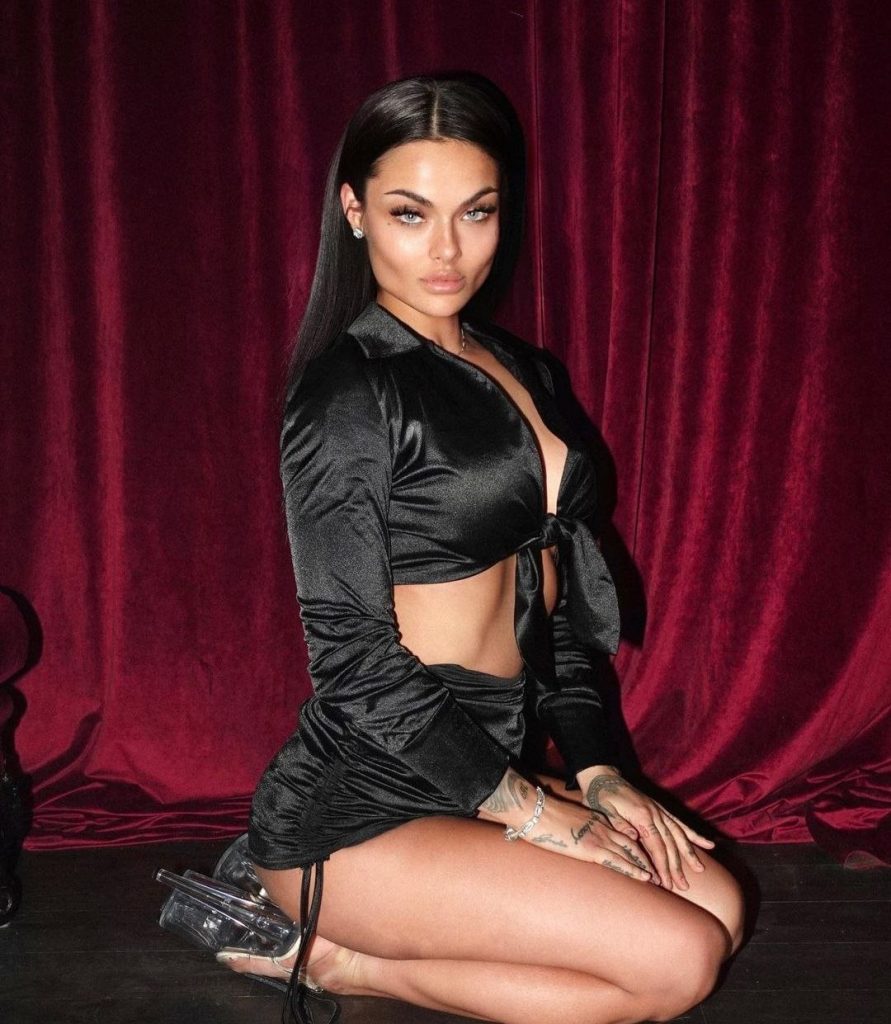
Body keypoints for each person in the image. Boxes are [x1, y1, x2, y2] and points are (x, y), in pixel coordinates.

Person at [221, 73, 745, 1023]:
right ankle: (340, 962)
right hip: (356, 809)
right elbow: (351, 658)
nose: (447, 250)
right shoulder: (348, 393)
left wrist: (598, 774)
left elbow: (557, 615)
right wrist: (533, 813)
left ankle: (399, 924)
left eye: (477, 211)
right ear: (354, 211)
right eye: (410, 213)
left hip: (481, 780)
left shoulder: (525, 369)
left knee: (718, 907)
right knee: (679, 961)